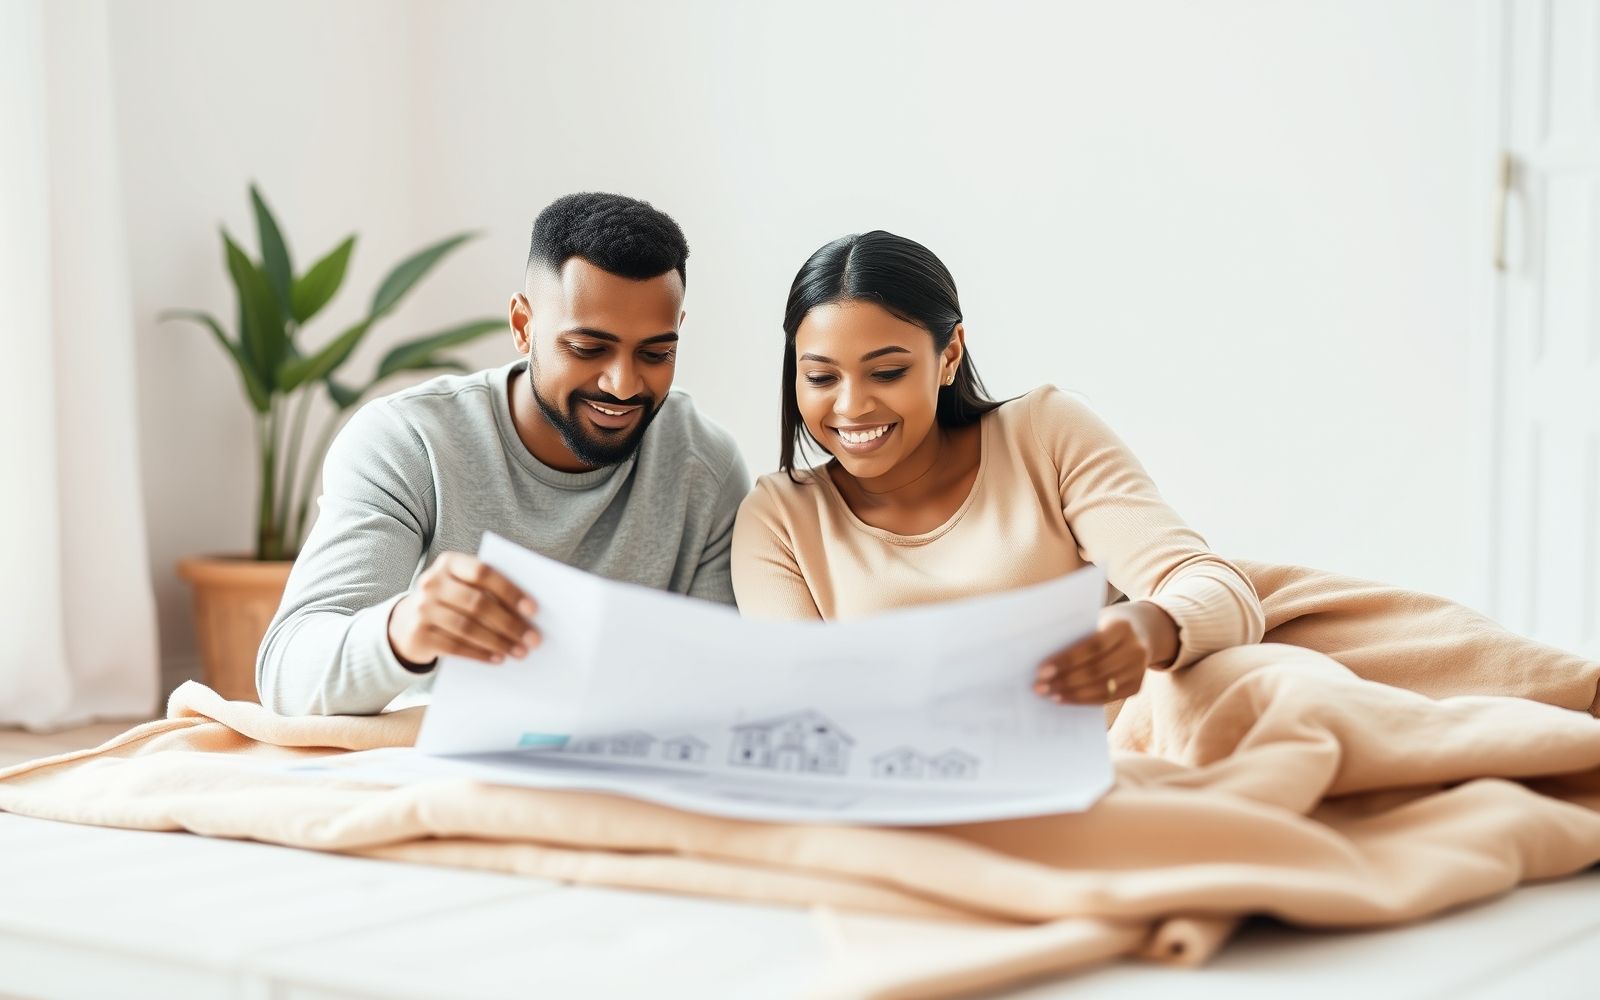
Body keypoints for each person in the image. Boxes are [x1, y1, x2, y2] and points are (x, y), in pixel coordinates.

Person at [258, 192, 750, 716]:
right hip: (433, 766)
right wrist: (402, 632)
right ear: (523, 326)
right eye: (587, 349)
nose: (623, 385)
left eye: (656, 354)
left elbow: (718, 687)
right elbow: (286, 674)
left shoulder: (706, 468)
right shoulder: (407, 442)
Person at [731, 230, 1263, 705]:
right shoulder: (780, 519)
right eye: (822, 379)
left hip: (1115, 768)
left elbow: (1211, 584)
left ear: (950, 355)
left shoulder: (1044, 434)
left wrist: (1150, 627)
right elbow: (798, 710)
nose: (851, 407)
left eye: (888, 372)